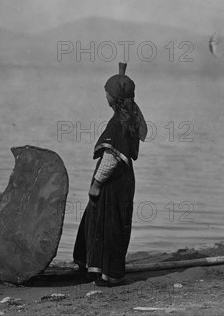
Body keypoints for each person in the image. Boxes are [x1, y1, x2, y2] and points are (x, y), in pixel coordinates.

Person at [73, 62, 147, 286]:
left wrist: (96, 184)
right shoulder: (131, 118)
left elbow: (110, 158)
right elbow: (140, 125)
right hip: (125, 181)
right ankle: (102, 270)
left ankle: (109, 275)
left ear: (113, 98)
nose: (104, 94)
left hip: (111, 183)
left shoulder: (117, 124)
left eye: (107, 92)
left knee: (107, 226)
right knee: (113, 225)